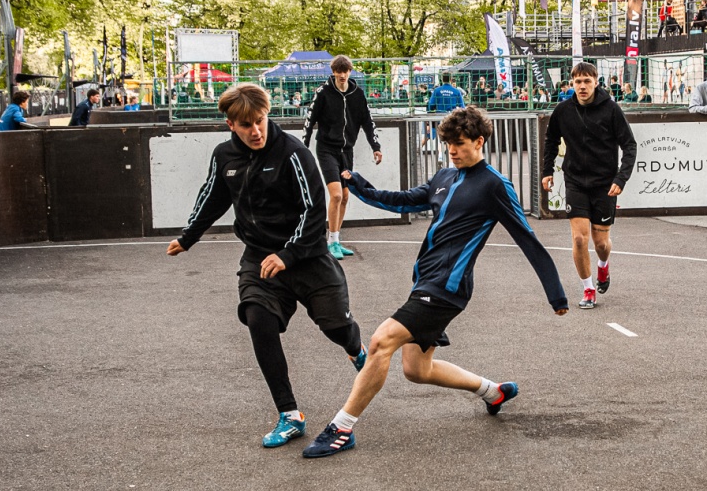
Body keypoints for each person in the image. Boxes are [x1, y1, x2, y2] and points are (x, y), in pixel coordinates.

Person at [312, 106, 568, 457]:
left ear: (479, 142)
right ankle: (493, 392)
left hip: (447, 288)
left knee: (381, 341)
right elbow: (403, 202)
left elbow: (527, 237)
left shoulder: (494, 185)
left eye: (459, 143)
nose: (452, 150)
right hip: (425, 282)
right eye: (448, 143)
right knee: (417, 370)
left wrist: (556, 294)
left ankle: (341, 428)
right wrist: (358, 185)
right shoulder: (444, 177)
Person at [167, 83, 367, 447]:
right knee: (258, 319)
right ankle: (289, 415)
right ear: (231, 125)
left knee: (337, 328)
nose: (256, 131)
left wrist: (287, 255)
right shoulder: (225, 156)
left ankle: (355, 348)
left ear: (266, 114)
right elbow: (212, 197)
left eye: (259, 121)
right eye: (246, 125)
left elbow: (314, 211)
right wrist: (188, 237)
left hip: (307, 257)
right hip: (260, 257)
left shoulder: (292, 152)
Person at [541, 60, 638, 309]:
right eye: (578, 82)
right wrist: (547, 171)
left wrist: (621, 178)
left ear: (596, 82)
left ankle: (603, 266)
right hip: (575, 181)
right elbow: (551, 141)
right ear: (571, 84)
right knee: (579, 239)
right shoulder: (563, 110)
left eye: (587, 81)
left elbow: (629, 145)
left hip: (604, 183)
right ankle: (588, 288)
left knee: (601, 243)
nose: (582, 86)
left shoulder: (611, 109)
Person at [303, 55, 382, 259]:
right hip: (326, 149)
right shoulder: (323, 92)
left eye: (345, 71)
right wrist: (304, 147)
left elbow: (368, 121)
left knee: (345, 197)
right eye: (338, 72)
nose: (342, 75)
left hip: (346, 151)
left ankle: (335, 240)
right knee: (336, 195)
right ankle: (330, 242)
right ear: (333, 72)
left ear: (349, 71)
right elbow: (310, 120)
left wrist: (376, 147)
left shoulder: (358, 94)